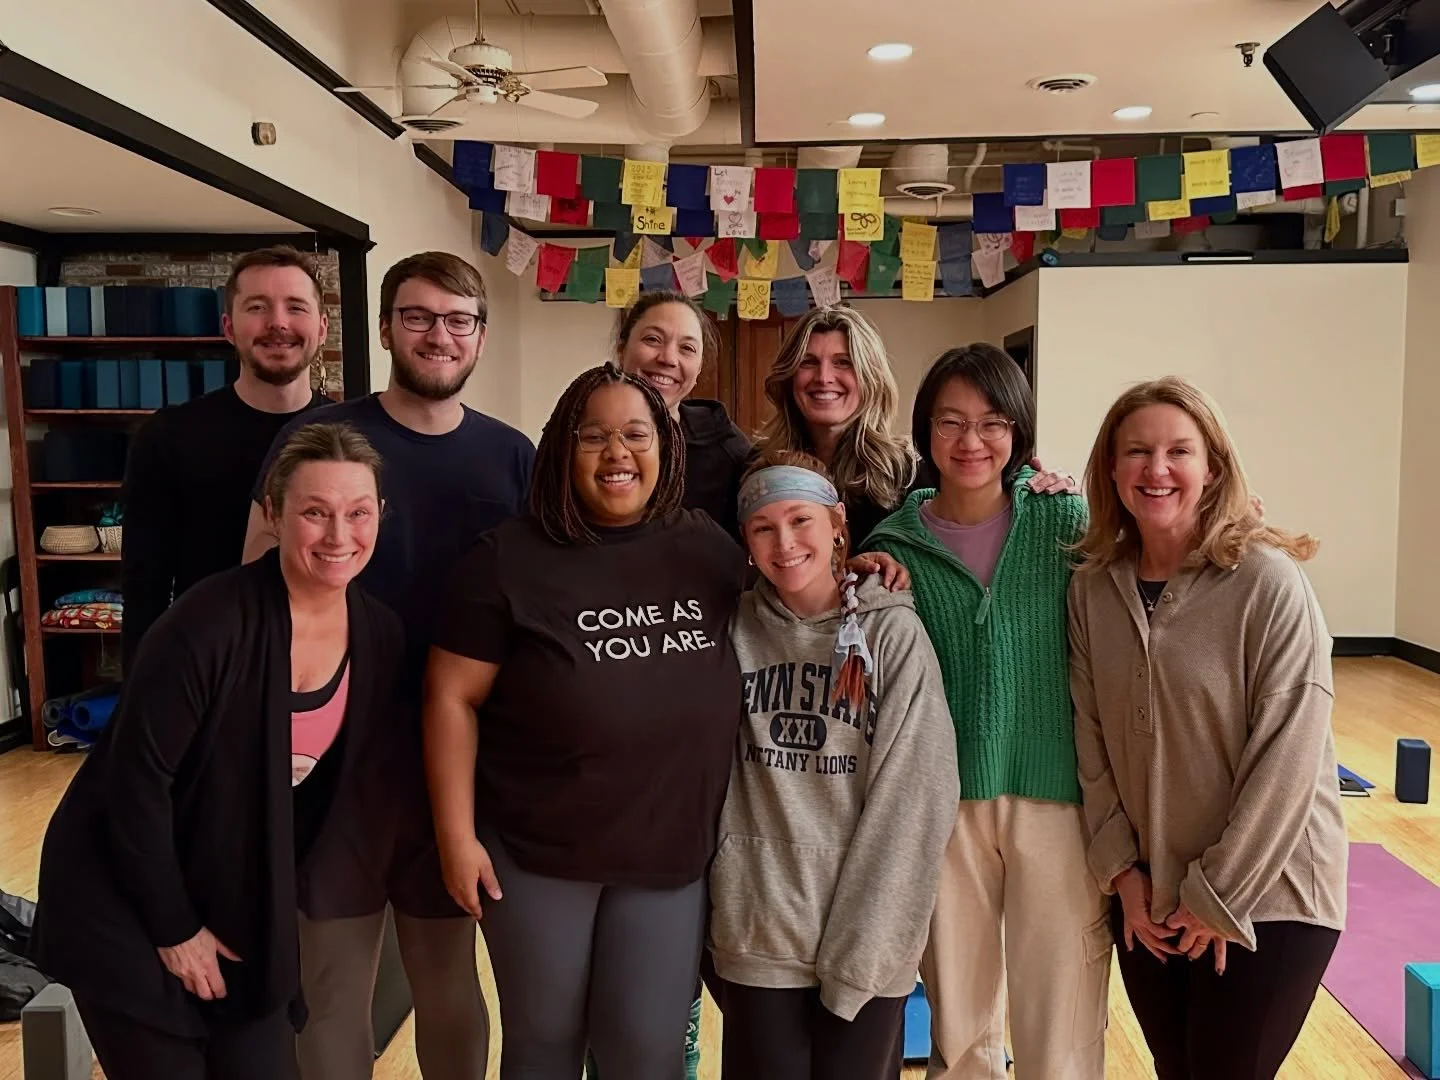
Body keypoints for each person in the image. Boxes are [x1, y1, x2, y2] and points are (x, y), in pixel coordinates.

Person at [29, 422, 402, 1080]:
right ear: (273, 513)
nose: (339, 535)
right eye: (315, 512)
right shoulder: (209, 622)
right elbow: (135, 785)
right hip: (122, 895)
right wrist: (173, 929)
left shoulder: (377, 635)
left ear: (381, 517)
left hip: (231, 899)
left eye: (358, 512)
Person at [242, 252, 532, 1079]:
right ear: (383, 329)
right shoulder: (323, 440)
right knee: (329, 990)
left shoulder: (512, 458)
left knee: (447, 982)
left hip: (456, 769)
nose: (437, 336)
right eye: (417, 317)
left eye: (457, 320)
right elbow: (256, 586)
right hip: (329, 765)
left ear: (480, 335)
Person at [423, 365, 745, 1080]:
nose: (617, 453)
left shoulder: (707, 549)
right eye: (593, 436)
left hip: (669, 855)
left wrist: (870, 566)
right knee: (543, 1045)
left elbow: (796, 598)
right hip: (539, 855)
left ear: (665, 447)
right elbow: (451, 698)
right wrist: (455, 838)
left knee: (645, 1052)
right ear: (561, 450)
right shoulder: (507, 557)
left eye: (635, 434)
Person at [1067, 376, 1346, 1080]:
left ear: (1212, 467)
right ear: (1110, 468)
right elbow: (1090, 739)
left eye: (1178, 452)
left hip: (1268, 895)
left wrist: (1217, 896)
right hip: (1152, 898)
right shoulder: (1092, 588)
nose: (1156, 470)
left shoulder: (1268, 582)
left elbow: (1290, 755)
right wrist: (1120, 872)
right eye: (1136, 452)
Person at [865, 344, 1109, 1080]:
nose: (972, 442)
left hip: (1057, 799)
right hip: (941, 806)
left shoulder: (1066, 520)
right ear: (924, 431)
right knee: (960, 1022)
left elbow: (1158, 552)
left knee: (1061, 1017)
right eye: (951, 422)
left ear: (1019, 431)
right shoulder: (892, 544)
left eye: (993, 422)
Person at [709, 450, 958, 1080]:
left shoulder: (891, 636)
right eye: (763, 527)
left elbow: (915, 801)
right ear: (744, 540)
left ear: (838, 523)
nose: (785, 543)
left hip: (869, 937)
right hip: (758, 931)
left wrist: (865, 954)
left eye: (800, 521)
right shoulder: (731, 631)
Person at [121, 244, 332, 670]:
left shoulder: (349, 437)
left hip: (325, 666)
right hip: (209, 668)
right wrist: (142, 697)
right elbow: (144, 589)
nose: (278, 323)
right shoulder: (168, 437)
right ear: (229, 327)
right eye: (257, 307)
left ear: (323, 328)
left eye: (295, 307)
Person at [613, 288, 753, 538]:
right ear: (621, 349)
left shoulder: (728, 449)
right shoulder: (577, 434)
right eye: (653, 339)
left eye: (687, 348)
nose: (668, 358)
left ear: (699, 368)